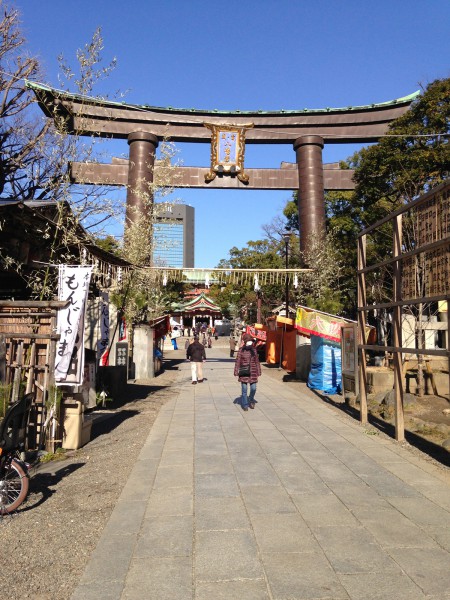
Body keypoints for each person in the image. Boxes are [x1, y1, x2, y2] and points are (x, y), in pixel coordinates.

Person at [234, 333, 261, 411]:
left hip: (253, 372)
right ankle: (245, 405)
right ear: (245, 342)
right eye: (249, 341)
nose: (250, 342)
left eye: (251, 341)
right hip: (244, 372)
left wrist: (259, 371)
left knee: (253, 388)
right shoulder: (241, 350)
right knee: (244, 390)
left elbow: (257, 361)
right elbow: (238, 361)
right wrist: (236, 371)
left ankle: (251, 399)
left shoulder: (254, 350)